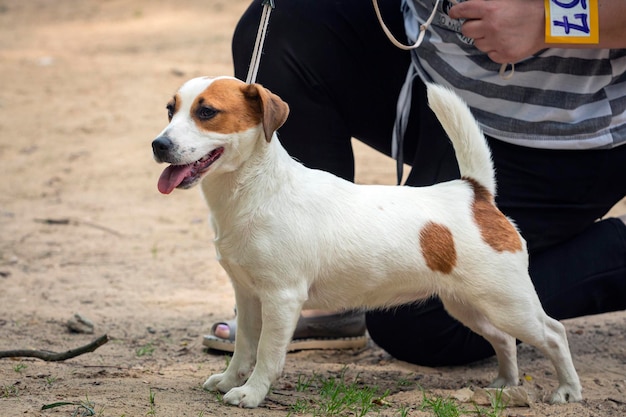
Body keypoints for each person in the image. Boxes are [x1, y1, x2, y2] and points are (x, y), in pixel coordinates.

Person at [203, 0, 626, 367]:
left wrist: (549, 19)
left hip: (563, 130)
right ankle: (308, 275)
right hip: (430, 71)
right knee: (280, 23)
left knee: (416, 319)